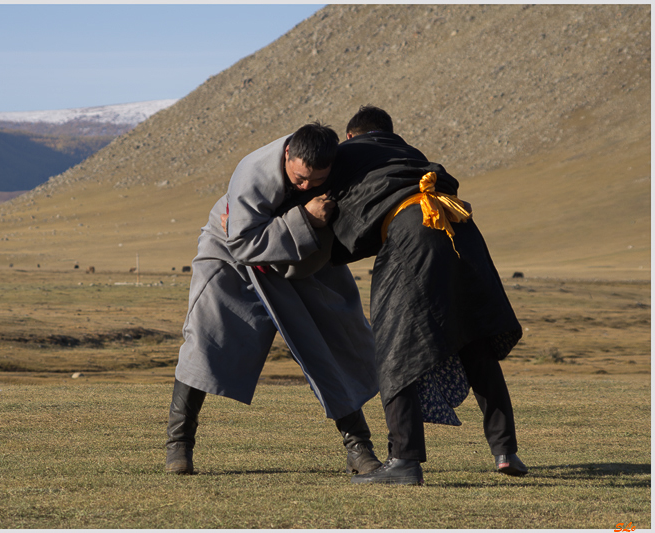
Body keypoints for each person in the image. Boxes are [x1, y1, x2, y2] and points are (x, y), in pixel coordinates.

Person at [322, 105, 527, 485]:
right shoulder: (409, 154)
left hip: (415, 234)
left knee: (393, 348)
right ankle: (505, 451)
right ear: (390, 132)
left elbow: (334, 218)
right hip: (460, 229)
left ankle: (404, 460)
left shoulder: (348, 153)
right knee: (473, 341)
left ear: (352, 136)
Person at [166, 122, 381, 476]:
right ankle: (179, 445)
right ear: (287, 155)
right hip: (232, 255)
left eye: (316, 181)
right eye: (298, 180)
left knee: (327, 344)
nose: (306, 187)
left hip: (303, 259)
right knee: (205, 341)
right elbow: (244, 244)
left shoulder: (342, 166)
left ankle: (358, 447)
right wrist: (306, 218)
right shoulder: (253, 172)